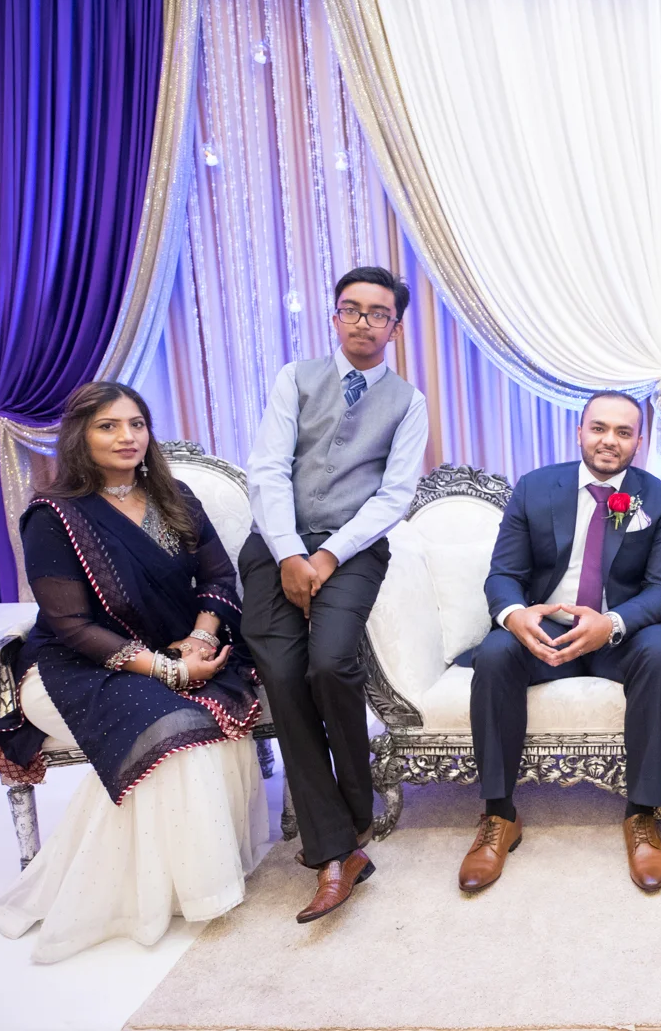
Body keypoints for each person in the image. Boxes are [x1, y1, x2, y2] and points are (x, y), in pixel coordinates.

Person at [0, 382, 266, 964]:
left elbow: (218, 577)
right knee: (173, 725)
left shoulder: (175, 498)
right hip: (78, 669)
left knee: (217, 713)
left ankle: (191, 879)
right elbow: (72, 626)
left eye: (136, 424)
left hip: (182, 650)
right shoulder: (54, 516)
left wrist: (200, 638)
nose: (126, 436)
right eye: (108, 426)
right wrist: (166, 669)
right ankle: (138, 896)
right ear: (80, 436)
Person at [240, 266, 429, 923]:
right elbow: (267, 468)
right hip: (274, 544)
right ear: (334, 316)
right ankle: (339, 847)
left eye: (378, 314)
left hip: (352, 550)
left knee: (330, 664)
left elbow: (394, 496)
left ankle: (351, 810)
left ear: (394, 329)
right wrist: (288, 551)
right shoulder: (294, 378)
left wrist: (325, 555)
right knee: (284, 676)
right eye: (351, 309)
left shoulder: (407, 402)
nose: (363, 322)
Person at [465, 391, 661, 894]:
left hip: (619, 633)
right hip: (547, 629)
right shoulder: (535, 486)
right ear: (579, 431)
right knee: (494, 653)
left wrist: (611, 624)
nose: (610, 440)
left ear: (639, 442)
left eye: (624, 432)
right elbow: (503, 574)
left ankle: (641, 813)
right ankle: (499, 814)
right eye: (599, 428)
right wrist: (516, 615)